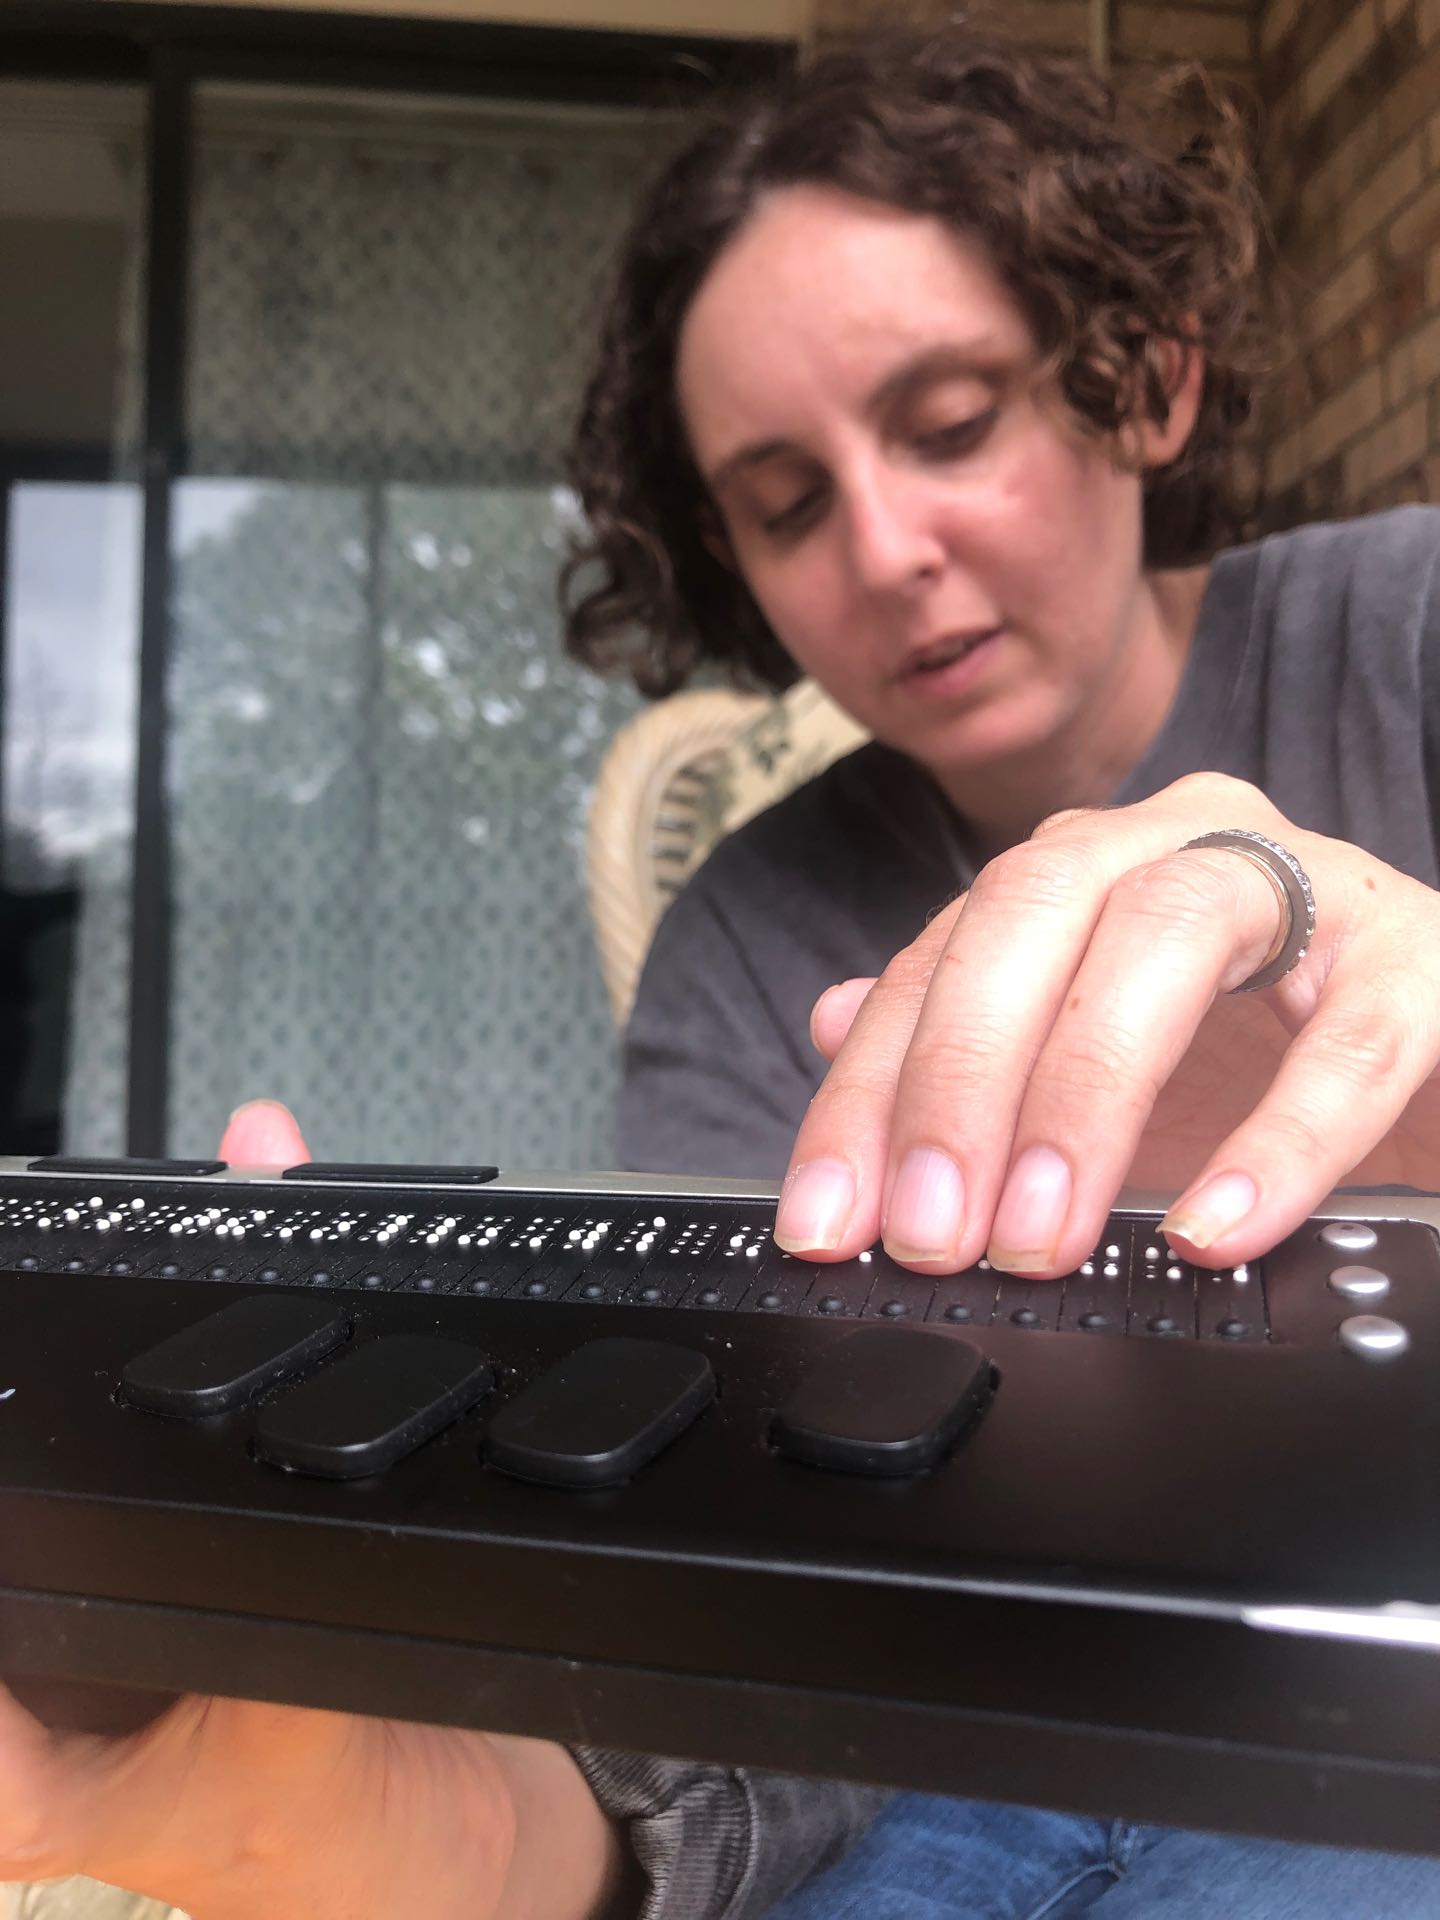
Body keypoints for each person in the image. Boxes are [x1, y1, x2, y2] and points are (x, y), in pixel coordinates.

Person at [3, 18, 1439, 1920]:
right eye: (784, 502)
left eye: (948, 424)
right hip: (937, 1773)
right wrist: (342, 1791)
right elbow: (744, 1735)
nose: (891, 547)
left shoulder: (1404, 629)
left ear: (1144, 380)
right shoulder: (754, 936)